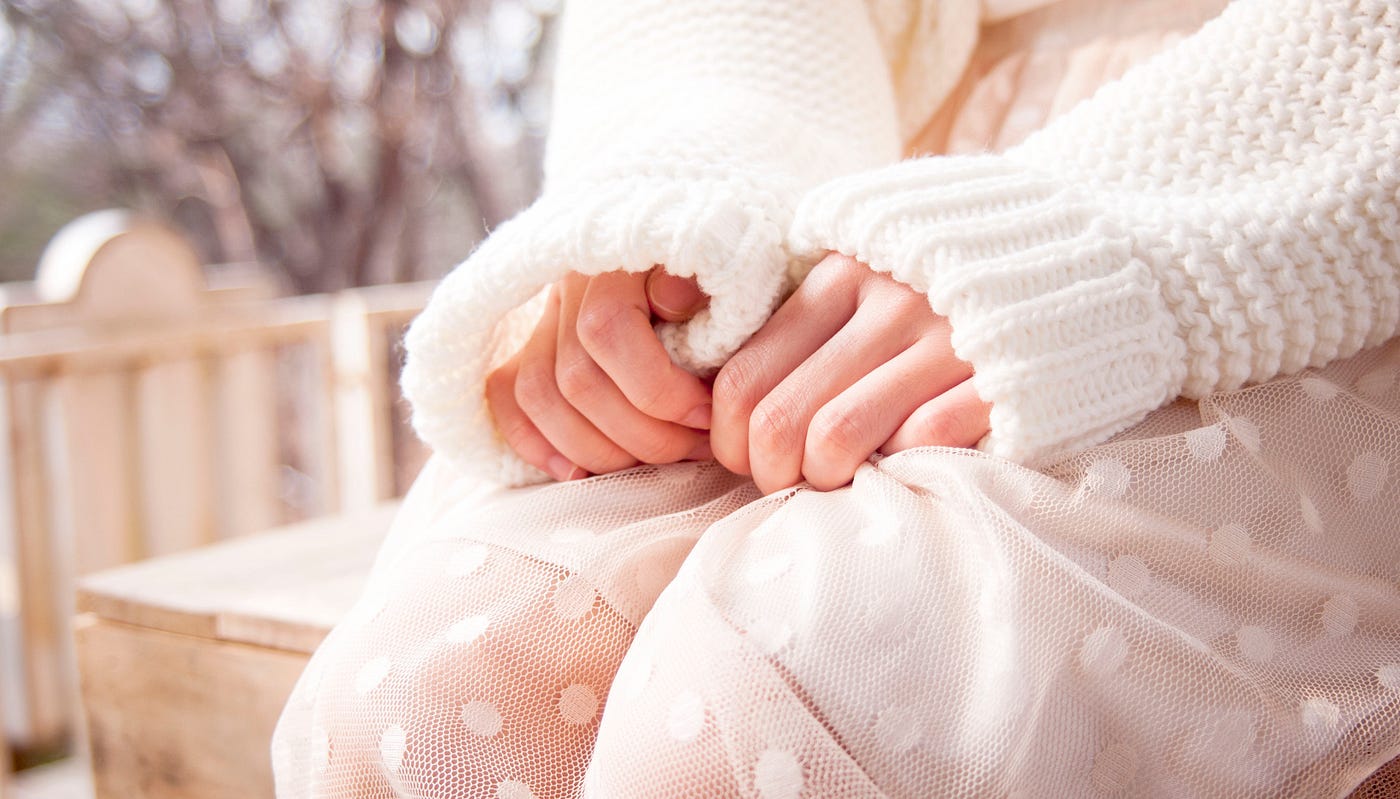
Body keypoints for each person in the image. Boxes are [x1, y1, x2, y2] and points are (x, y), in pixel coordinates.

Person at [272, 0, 1400, 796]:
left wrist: (1105, 233)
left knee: (779, 695)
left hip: (1307, 196)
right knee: (438, 679)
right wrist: (675, 181)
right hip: (870, 204)